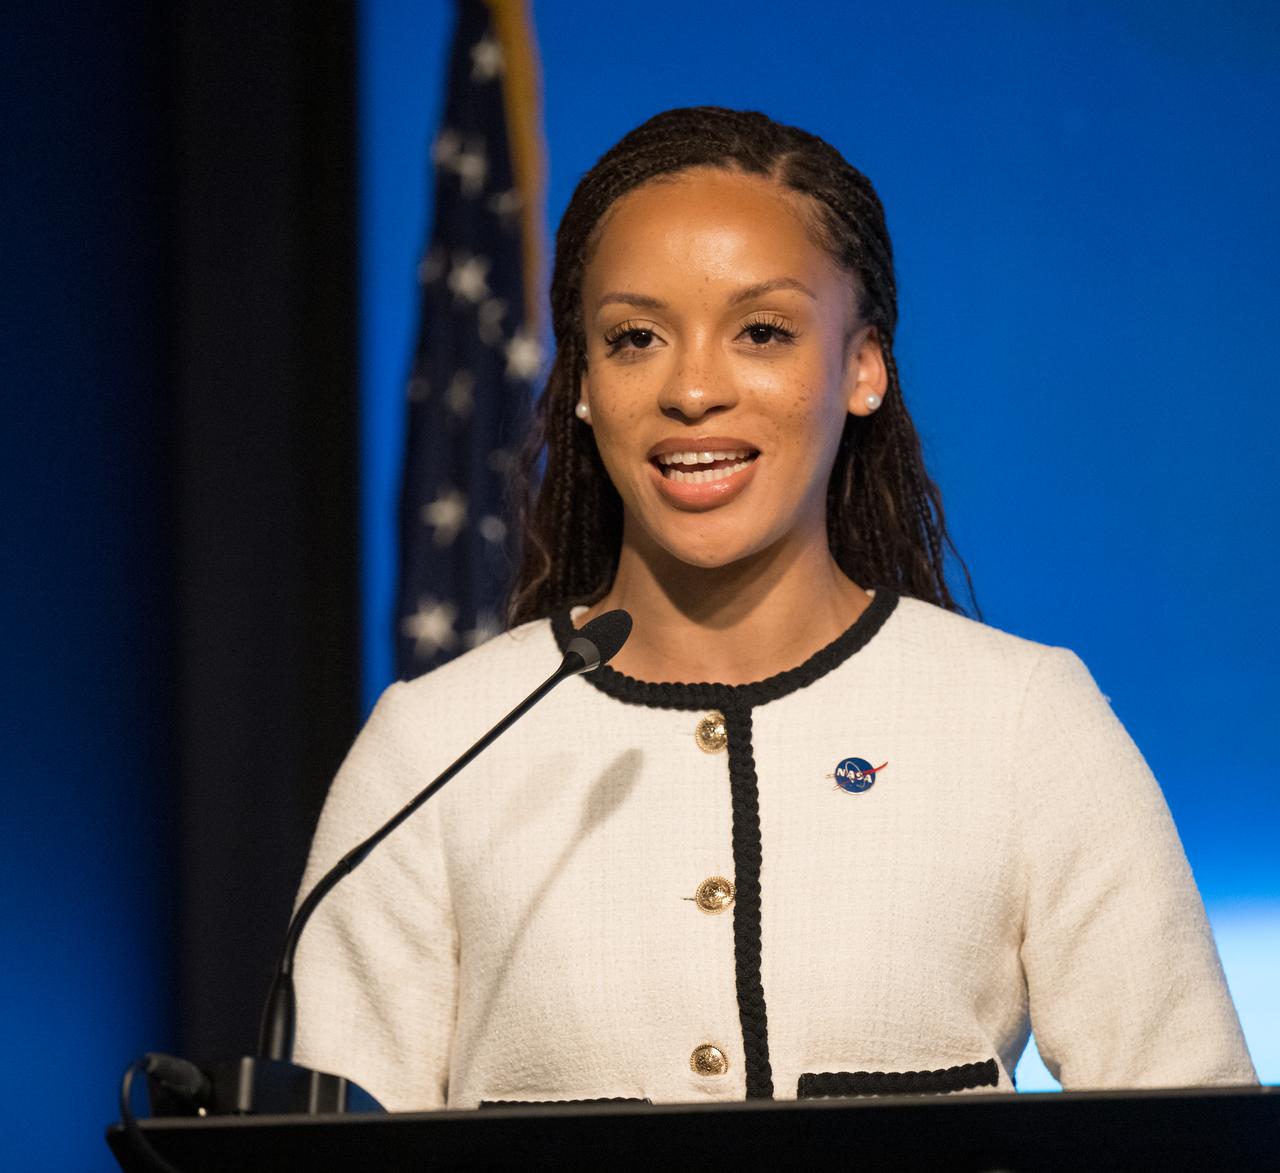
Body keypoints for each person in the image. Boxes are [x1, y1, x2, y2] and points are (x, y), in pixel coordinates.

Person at [293, 107, 1255, 1110]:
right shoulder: (433, 750)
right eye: (633, 338)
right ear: (581, 384)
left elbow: (1191, 1125)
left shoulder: (1020, 719)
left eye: (761, 330)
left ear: (861, 368)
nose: (693, 388)